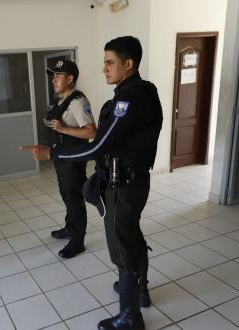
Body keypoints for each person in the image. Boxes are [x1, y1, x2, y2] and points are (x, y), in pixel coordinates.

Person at [21, 36, 162, 330]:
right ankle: (139, 291)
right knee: (131, 237)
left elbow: (98, 144)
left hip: (125, 184)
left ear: (128, 64)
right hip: (125, 179)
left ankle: (129, 317)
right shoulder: (133, 93)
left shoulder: (132, 99)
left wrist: (54, 153)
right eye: (104, 62)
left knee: (122, 245)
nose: (104, 69)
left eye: (109, 62)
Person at [44, 59, 97, 259]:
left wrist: (63, 128)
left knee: (74, 198)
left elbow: (91, 132)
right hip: (62, 157)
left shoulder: (78, 102)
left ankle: (78, 241)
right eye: (53, 76)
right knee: (66, 194)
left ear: (70, 78)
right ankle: (69, 228)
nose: (53, 80)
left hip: (73, 160)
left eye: (58, 76)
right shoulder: (62, 100)